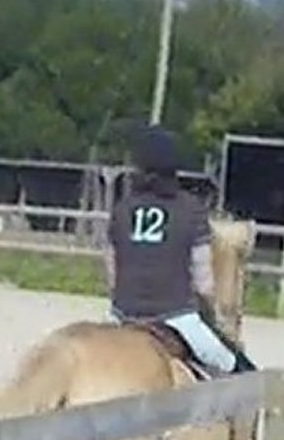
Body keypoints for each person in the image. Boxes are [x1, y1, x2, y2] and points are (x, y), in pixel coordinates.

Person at [103, 125, 257, 375]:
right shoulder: (191, 210)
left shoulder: (121, 209)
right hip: (176, 316)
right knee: (234, 367)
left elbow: (111, 277)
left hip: (122, 315)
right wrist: (211, 312)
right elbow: (204, 283)